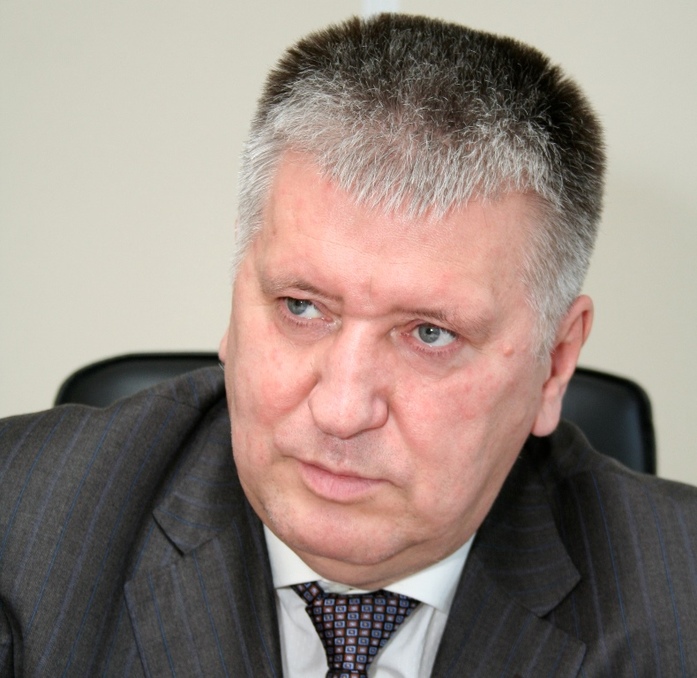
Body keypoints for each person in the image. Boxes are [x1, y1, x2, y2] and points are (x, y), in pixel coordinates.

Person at [1, 13, 696, 677]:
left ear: (554, 365)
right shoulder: (19, 529)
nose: (340, 411)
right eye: (301, 306)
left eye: (430, 334)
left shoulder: (681, 602)